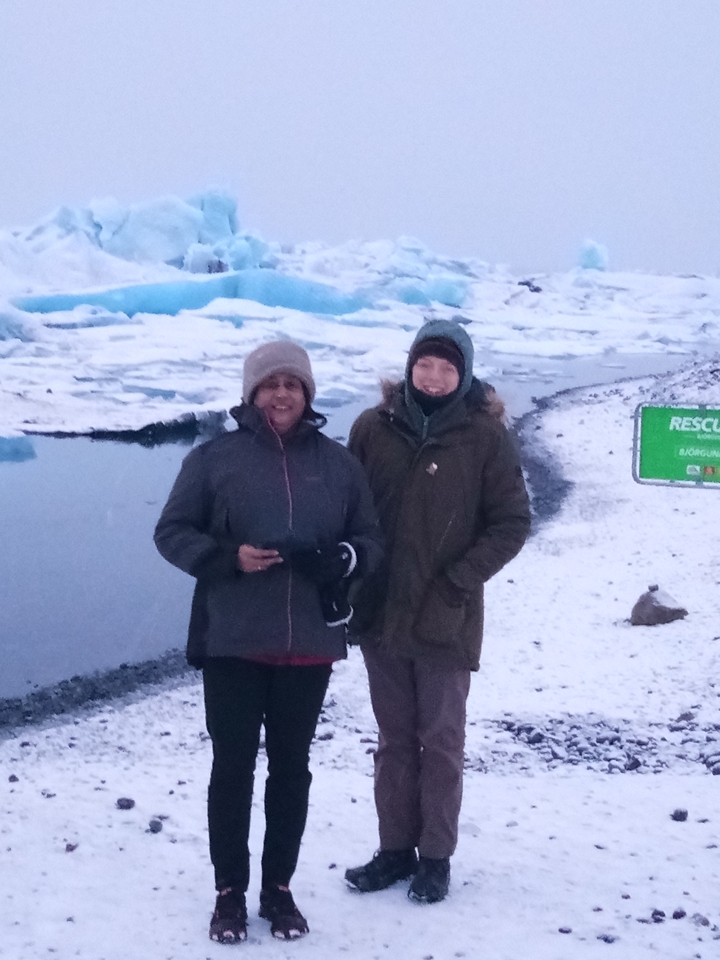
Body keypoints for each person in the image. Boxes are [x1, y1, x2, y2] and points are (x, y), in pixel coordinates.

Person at [154, 341, 382, 943]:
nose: (282, 395)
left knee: (291, 769)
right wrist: (227, 558)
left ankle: (278, 890)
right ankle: (228, 891)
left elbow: (370, 539)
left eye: (293, 384)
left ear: (307, 393)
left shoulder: (337, 464)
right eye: (270, 384)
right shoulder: (213, 459)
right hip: (231, 639)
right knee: (231, 768)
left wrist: (344, 556)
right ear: (252, 393)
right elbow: (171, 532)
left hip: (309, 641)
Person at [344, 318, 531, 904]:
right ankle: (394, 850)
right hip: (379, 611)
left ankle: (436, 858)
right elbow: (347, 507)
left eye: (447, 367)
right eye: (425, 364)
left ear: (464, 373)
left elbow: (512, 521)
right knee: (393, 739)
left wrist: (458, 581)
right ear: (409, 367)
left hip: (445, 615)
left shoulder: (485, 436)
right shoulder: (372, 428)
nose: (433, 376)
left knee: (442, 740)